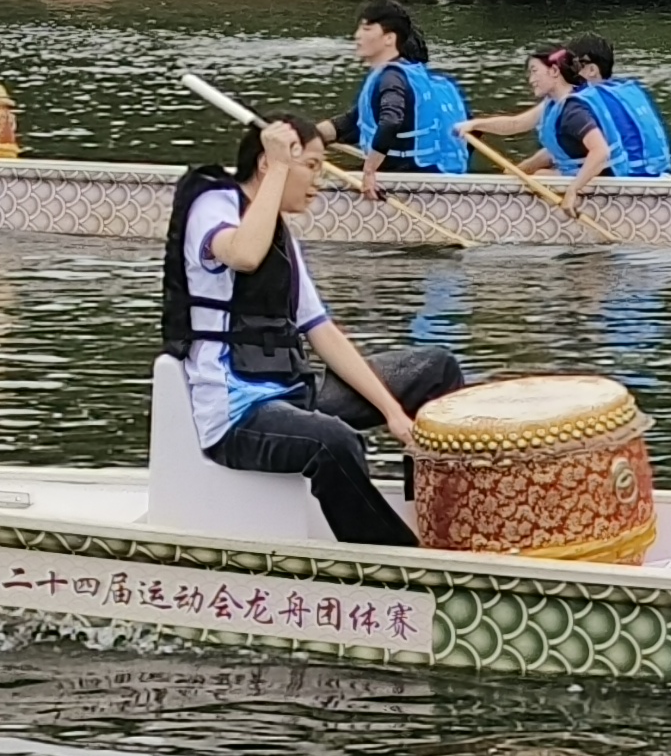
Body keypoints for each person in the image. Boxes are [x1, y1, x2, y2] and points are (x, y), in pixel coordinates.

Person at [159, 118, 464, 544]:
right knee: (333, 442)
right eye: (312, 166)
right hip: (237, 417)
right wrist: (279, 165)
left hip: (293, 394)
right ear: (269, 163)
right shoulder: (213, 205)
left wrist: (394, 411)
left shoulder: (281, 235)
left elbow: (322, 331)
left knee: (436, 370)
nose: (319, 182)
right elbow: (244, 255)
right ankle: (393, 558)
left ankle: (443, 519)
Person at [337, 0, 471, 174]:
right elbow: (353, 123)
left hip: (406, 174)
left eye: (366, 29)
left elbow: (391, 121)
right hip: (434, 169)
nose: (357, 36)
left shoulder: (392, 79)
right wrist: (312, 136)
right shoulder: (428, 82)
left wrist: (369, 168)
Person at [464, 46, 620, 178]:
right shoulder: (553, 103)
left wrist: (572, 191)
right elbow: (516, 124)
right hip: (577, 172)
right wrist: (474, 125)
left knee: (541, 175)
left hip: (603, 183)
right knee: (531, 172)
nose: (531, 80)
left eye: (534, 71)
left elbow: (600, 151)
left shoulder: (573, 110)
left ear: (554, 71)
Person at [559, 35, 671, 175]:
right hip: (657, 172)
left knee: (544, 173)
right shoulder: (629, 89)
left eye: (571, 65)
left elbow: (557, 151)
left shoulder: (583, 100)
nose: (566, 71)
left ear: (592, 70)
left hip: (626, 178)